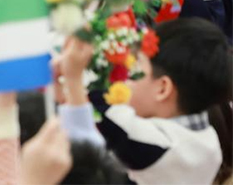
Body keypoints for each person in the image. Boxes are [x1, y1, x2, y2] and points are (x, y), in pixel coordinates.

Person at [60, 20, 232, 185]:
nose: (125, 79)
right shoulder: (208, 137)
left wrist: (74, 76)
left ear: (162, 89)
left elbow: (105, 110)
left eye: (134, 69)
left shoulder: (161, 147)